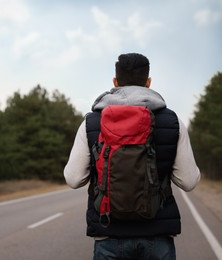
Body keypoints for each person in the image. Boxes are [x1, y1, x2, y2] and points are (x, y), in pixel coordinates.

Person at [64, 53, 200, 260]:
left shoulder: (91, 123)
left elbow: (74, 179)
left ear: (115, 82)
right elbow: (189, 182)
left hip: (108, 232)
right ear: (148, 82)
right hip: (157, 234)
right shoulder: (173, 121)